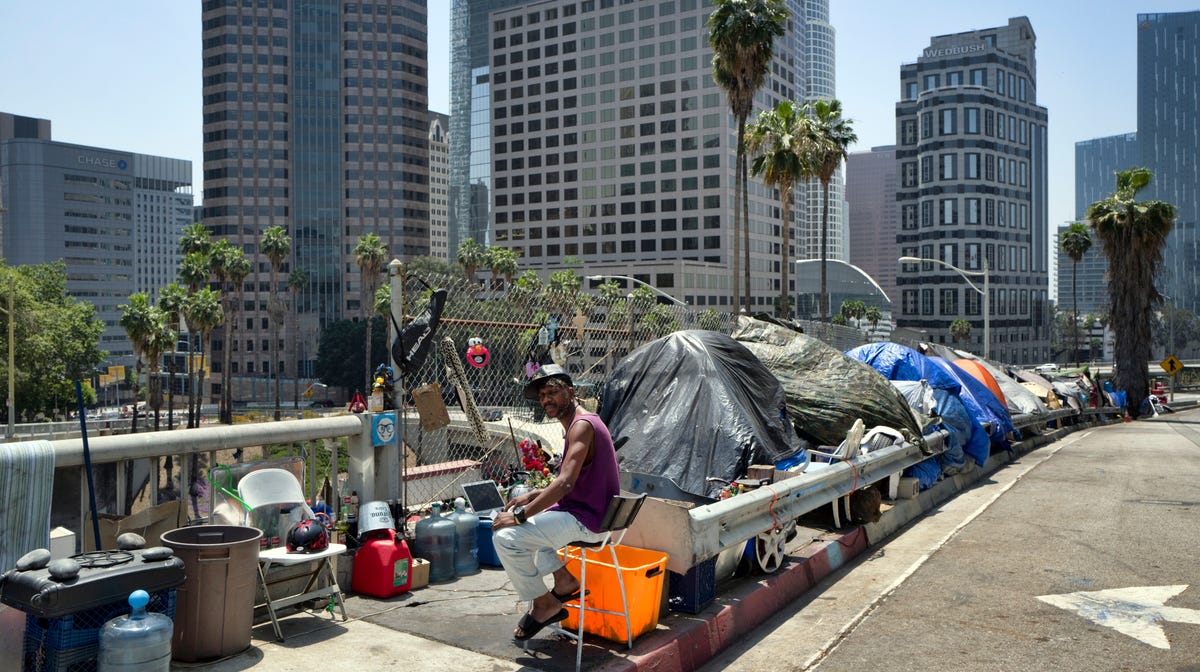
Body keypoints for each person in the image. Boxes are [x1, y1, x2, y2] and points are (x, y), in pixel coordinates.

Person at [492, 363, 620, 642]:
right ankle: (564, 581)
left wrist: (520, 515)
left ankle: (545, 604)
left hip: (588, 520)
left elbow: (565, 484)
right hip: (587, 513)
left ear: (571, 392)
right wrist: (532, 496)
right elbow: (568, 480)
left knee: (506, 537)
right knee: (532, 526)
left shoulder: (582, 426)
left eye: (552, 392)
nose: (546, 400)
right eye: (542, 396)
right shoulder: (581, 423)